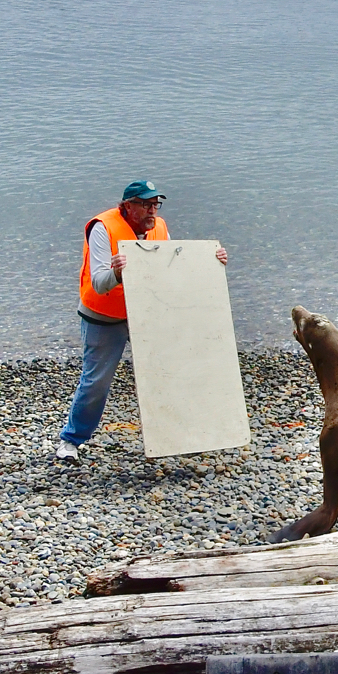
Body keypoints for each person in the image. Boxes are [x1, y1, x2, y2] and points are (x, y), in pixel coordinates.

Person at [56, 180, 228, 462]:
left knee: (170, 371)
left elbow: (174, 268)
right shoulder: (102, 228)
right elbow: (100, 283)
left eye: (155, 204)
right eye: (145, 204)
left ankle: (182, 436)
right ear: (126, 207)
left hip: (147, 313)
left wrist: (212, 260)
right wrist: (120, 272)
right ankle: (71, 440)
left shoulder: (159, 227)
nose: (152, 211)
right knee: (96, 382)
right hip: (104, 316)